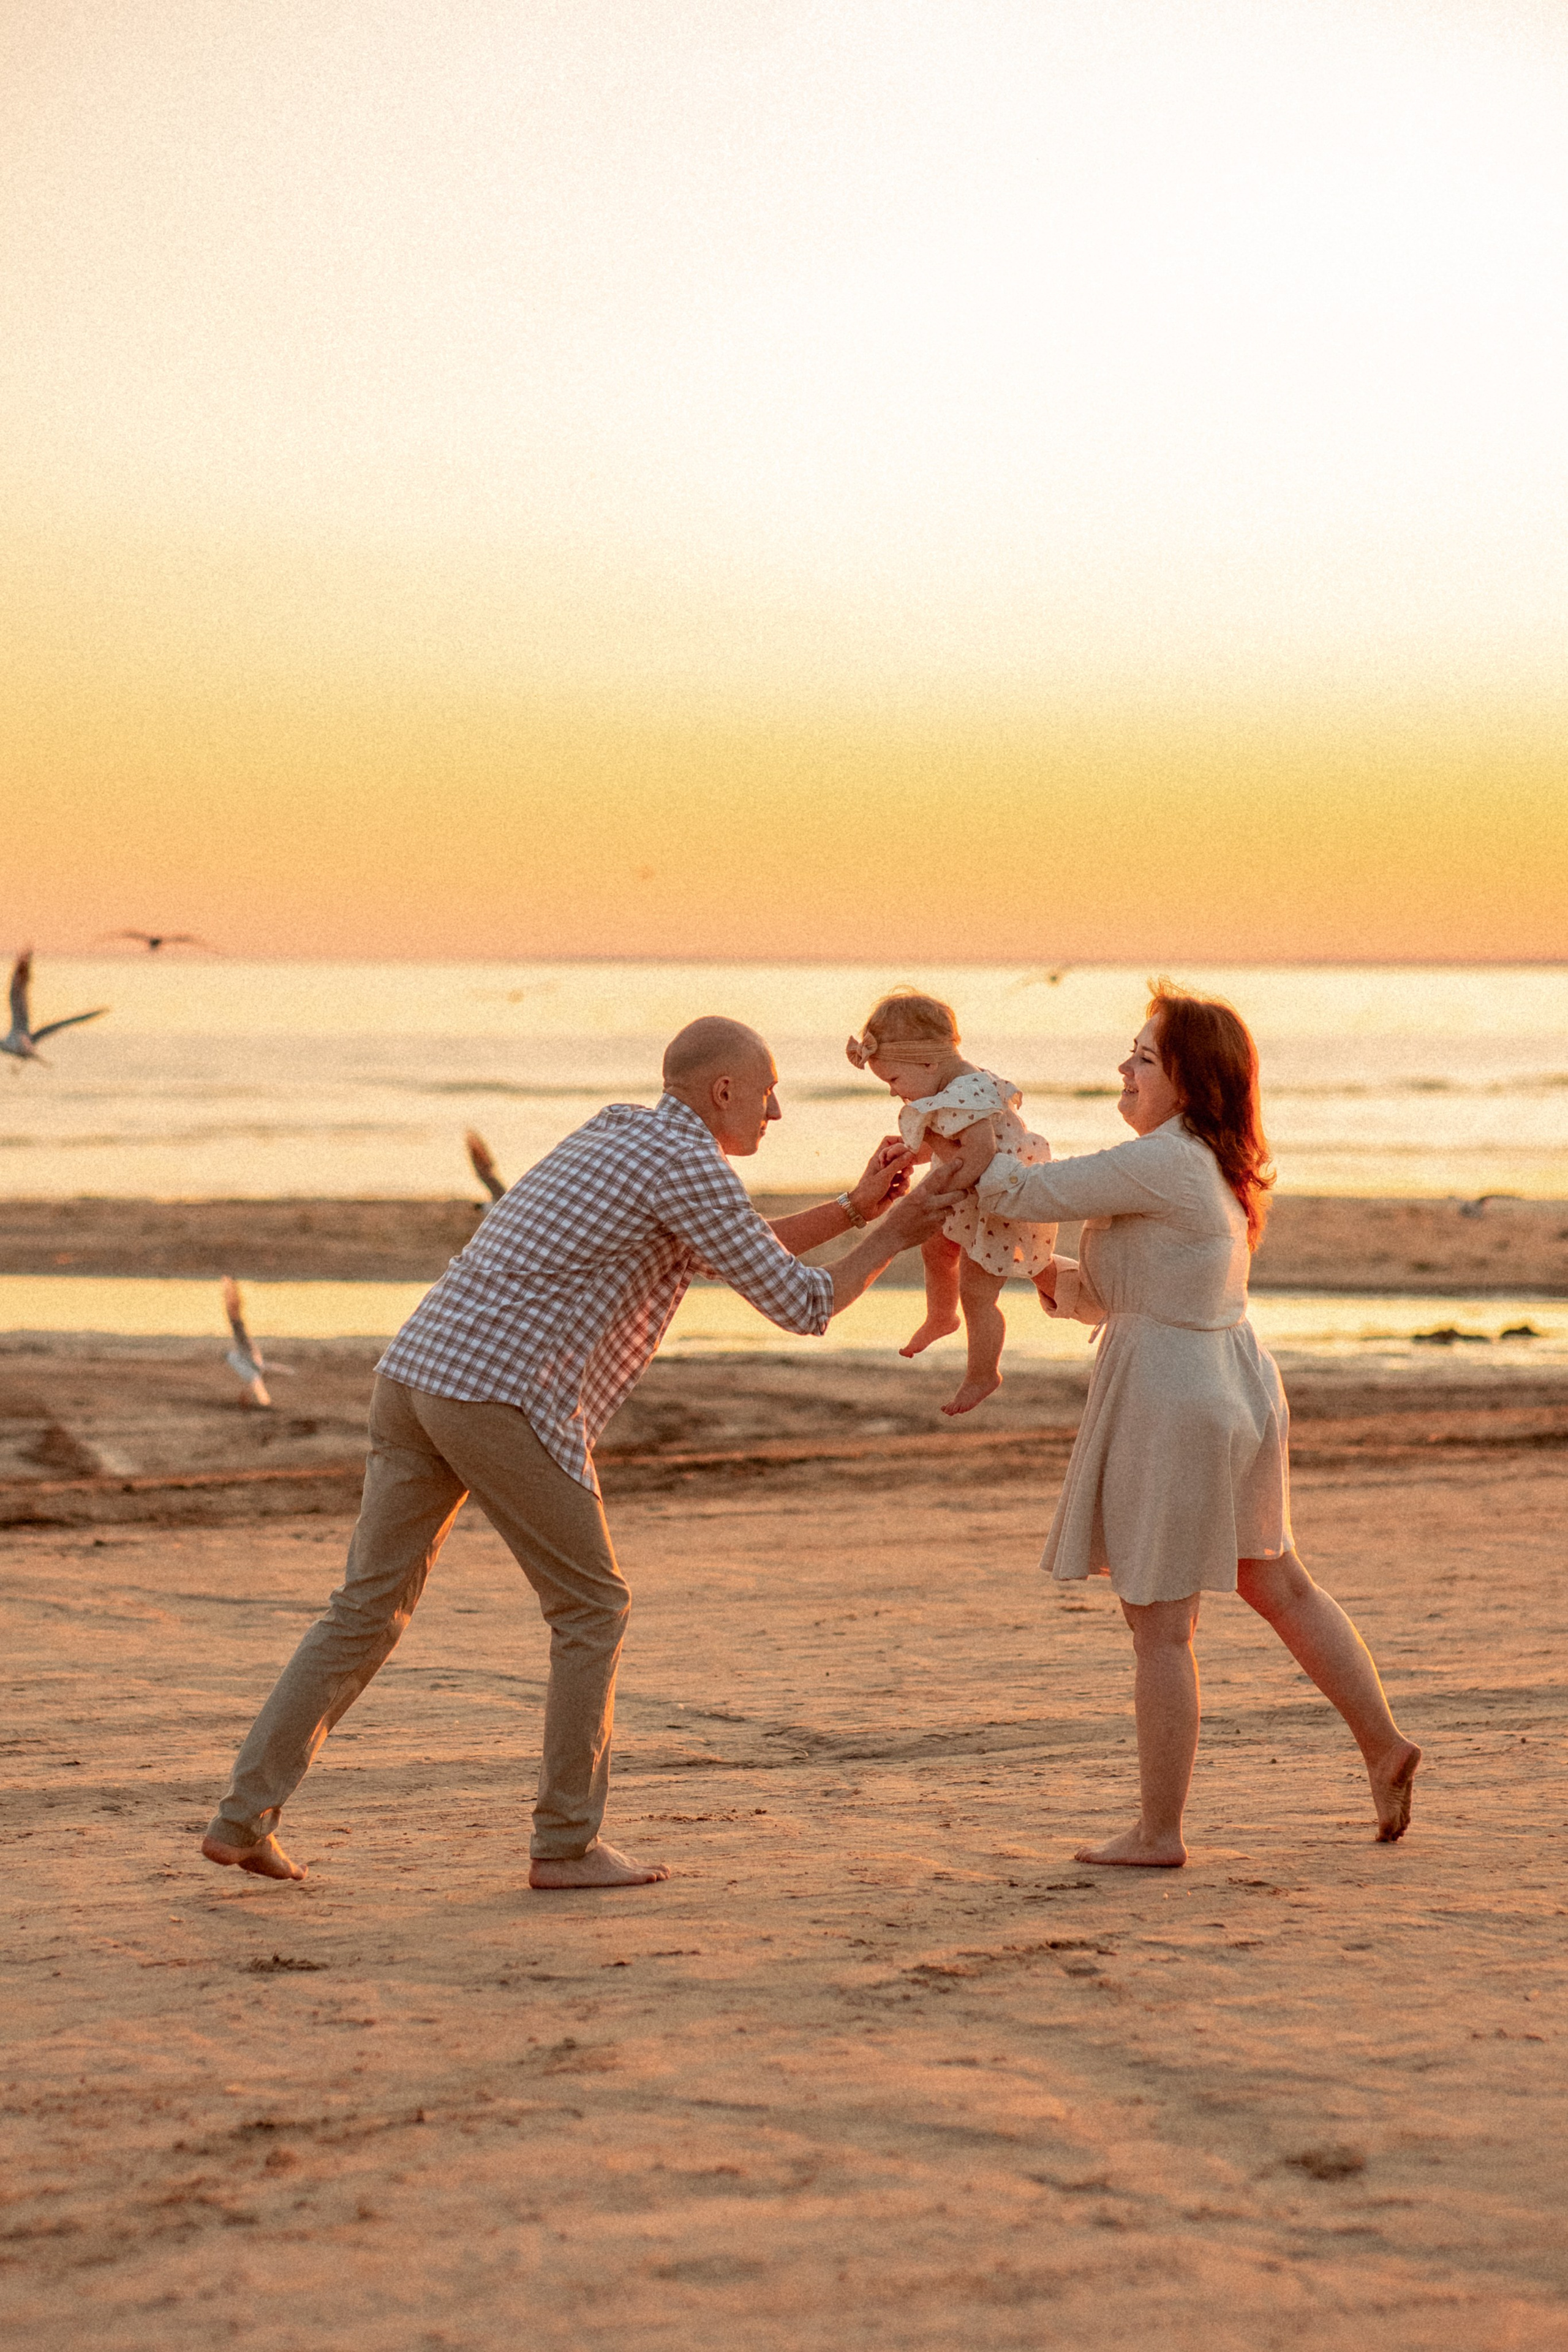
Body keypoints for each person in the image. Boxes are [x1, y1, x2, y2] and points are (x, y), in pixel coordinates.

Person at [200, 1017, 963, 1891]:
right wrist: (898, 1234)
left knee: (364, 1610)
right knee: (593, 1608)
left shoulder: (621, 1130)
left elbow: (722, 1254)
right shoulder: (688, 1164)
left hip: (416, 1377)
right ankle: (566, 1844)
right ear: (723, 1093)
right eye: (767, 1092)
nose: (778, 1111)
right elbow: (802, 1304)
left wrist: (859, 1210)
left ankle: (240, 1818)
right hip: (496, 1396)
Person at [973, 982, 1420, 1866]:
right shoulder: (1203, 1164)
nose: (1123, 1068)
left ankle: (1159, 1832)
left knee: (1160, 1623)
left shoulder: (1165, 1161)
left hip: (1174, 1393)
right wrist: (1030, 1265)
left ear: (1189, 1079)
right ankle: (1384, 1746)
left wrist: (965, 1113)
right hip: (1230, 1378)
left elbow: (1016, 1190)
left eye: (1143, 1057)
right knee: (1277, 1582)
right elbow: (1096, 1292)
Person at [846, 989, 1055, 1415]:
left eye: (893, 1081)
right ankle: (942, 1316)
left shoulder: (967, 1091)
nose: (892, 1094)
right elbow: (944, 1145)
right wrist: (910, 1154)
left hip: (995, 1198)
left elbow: (979, 1151)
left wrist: (938, 1195)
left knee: (977, 1291)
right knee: (936, 1248)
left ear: (927, 1062)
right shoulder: (949, 1086)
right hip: (972, 1193)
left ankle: (983, 1373)